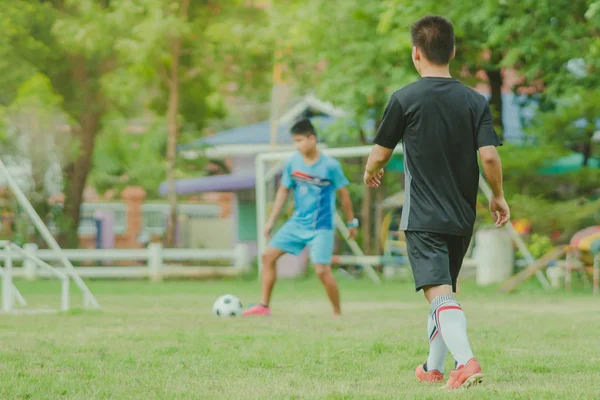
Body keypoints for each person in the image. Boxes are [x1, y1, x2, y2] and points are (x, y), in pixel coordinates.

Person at [363, 15, 510, 390]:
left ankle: (466, 362)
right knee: (444, 292)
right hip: (462, 216)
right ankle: (432, 366)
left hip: (423, 216)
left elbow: (380, 154)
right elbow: (490, 158)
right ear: (453, 51)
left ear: (416, 53)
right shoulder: (475, 100)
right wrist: (497, 195)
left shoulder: (405, 98)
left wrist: (369, 172)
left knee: (440, 294)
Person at [244, 117, 359, 317]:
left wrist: (351, 223)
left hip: (321, 227)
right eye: (295, 141)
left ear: (312, 139)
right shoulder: (293, 163)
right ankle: (263, 306)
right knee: (267, 256)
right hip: (297, 224)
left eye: (300, 140)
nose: (297, 145)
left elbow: (344, 196)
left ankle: (337, 313)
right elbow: (283, 192)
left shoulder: (330, 166)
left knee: (322, 270)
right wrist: (271, 221)